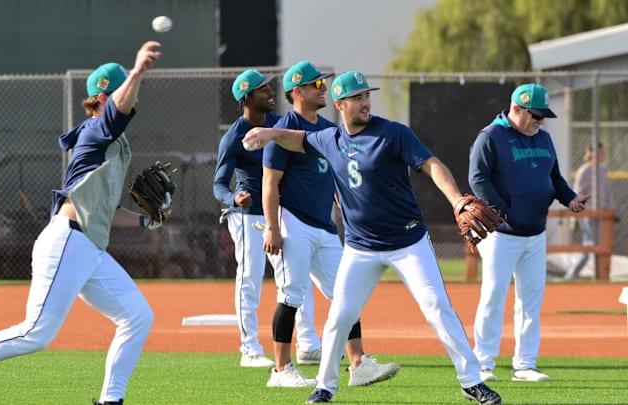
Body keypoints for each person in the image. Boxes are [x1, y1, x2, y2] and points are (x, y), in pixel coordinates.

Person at [0, 41, 164, 405]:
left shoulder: (112, 140)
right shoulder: (97, 129)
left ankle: (110, 401)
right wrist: (136, 71)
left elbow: (108, 212)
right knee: (35, 333)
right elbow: (118, 110)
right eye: (122, 91)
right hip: (67, 243)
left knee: (137, 317)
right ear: (103, 96)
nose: (133, 96)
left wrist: (149, 221)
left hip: (91, 249)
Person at [243, 71, 502, 405]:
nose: (365, 102)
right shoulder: (330, 138)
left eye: (367, 95)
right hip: (361, 249)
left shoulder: (393, 134)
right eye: (357, 98)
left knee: (438, 308)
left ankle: (472, 381)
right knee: (340, 315)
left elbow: (432, 164)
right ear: (340, 104)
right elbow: (298, 139)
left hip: (408, 242)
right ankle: (325, 386)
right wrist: (269, 133)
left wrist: (456, 200)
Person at [263, 61, 399, 388]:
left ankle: (359, 363)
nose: (323, 88)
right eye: (317, 85)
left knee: (345, 294)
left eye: (323, 84)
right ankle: (281, 370)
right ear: (298, 92)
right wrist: (272, 227)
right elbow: (270, 181)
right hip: (293, 220)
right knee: (292, 294)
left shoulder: (327, 129)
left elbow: (337, 176)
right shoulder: (284, 129)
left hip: (324, 226)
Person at [468, 83, 590, 383]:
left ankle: (524, 365)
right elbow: (478, 178)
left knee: (530, 300)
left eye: (543, 116)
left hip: (536, 233)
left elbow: (554, 178)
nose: (540, 121)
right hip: (502, 234)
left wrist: (570, 198)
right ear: (517, 109)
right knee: (493, 298)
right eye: (535, 115)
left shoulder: (544, 138)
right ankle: (482, 364)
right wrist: (501, 211)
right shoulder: (491, 136)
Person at [213, 69, 320, 368]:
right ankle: (249, 349)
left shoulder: (278, 125)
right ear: (247, 97)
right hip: (248, 217)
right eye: (263, 90)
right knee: (250, 280)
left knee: (296, 277)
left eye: (270, 88)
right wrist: (232, 198)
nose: (271, 92)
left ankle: (309, 344)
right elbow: (219, 184)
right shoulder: (234, 136)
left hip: (281, 214)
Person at [564, 142, 614, 280]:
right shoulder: (584, 171)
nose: (603, 155)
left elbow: (607, 192)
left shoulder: (602, 170)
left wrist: (611, 209)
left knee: (594, 244)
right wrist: (577, 216)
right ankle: (572, 275)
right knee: (591, 244)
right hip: (588, 214)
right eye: (600, 152)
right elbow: (577, 194)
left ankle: (580, 275)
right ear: (592, 154)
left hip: (602, 213)